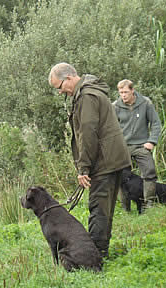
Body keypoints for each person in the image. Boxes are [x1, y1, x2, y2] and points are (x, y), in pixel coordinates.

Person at [48, 63, 131, 259]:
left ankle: (94, 258)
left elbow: (88, 133)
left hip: (104, 161)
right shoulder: (92, 90)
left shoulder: (86, 96)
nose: (60, 92)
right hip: (113, 158)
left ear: (68, 78)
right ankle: (102, 252)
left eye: (59, 87)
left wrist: (83, 168)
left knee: (98, 209)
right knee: (106, 209)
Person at [113, 79, 162, 212]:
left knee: (150, 172)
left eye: (126, 92)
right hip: (123, 147)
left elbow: (156, 123)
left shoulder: (145, 103)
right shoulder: (115, 106)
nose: (123, 95)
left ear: (132, 90)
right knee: (120, 176)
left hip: (141, 145)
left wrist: (152, 141)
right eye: (121, 92)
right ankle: (125, 208)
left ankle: (149, 205)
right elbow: (110, 128)